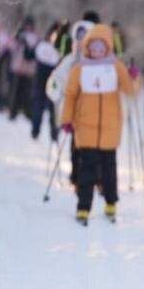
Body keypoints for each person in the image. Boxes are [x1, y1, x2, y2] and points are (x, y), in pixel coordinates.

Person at [60, 24, 138, 225]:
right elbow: (70, 96)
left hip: (110, 128)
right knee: (87, 170)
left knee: (109, 170)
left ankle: (111, 203)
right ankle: (83, 207)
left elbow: (130, 90)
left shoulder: (116, 66)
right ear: (86, 47)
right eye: (93, 47)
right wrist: (66, 120)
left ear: (108, 48)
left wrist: (134, 76)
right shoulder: (80, 68)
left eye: (100, 48)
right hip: (85, 127)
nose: (96, 52)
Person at [47, 18, 97, 183]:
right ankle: (75, 176)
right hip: (74, 109)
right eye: (79, 35)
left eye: (86, 35)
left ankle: (95, 177)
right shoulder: (70, 60)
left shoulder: (99, 60)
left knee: (94, 147)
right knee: (76, 144)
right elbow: (55, 81)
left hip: (95, 110)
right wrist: (57, 95)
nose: (82, 39)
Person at [31, 21, 65, 142]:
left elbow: (33, 55)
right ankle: (52, 133)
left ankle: (39, 131)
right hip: (49, 78)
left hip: (44, 78)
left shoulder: (42, 45)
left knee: (42, 105)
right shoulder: (57, 45)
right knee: (49, 106)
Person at [8, 16, 39, 121]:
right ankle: (14, 111)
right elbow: (12, 46)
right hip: (20, 67)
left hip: (28, 68)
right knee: (17, 90)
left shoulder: (34, 36)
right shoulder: (20, 34)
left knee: (27, 91)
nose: (28, 27)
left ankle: (26, 111)